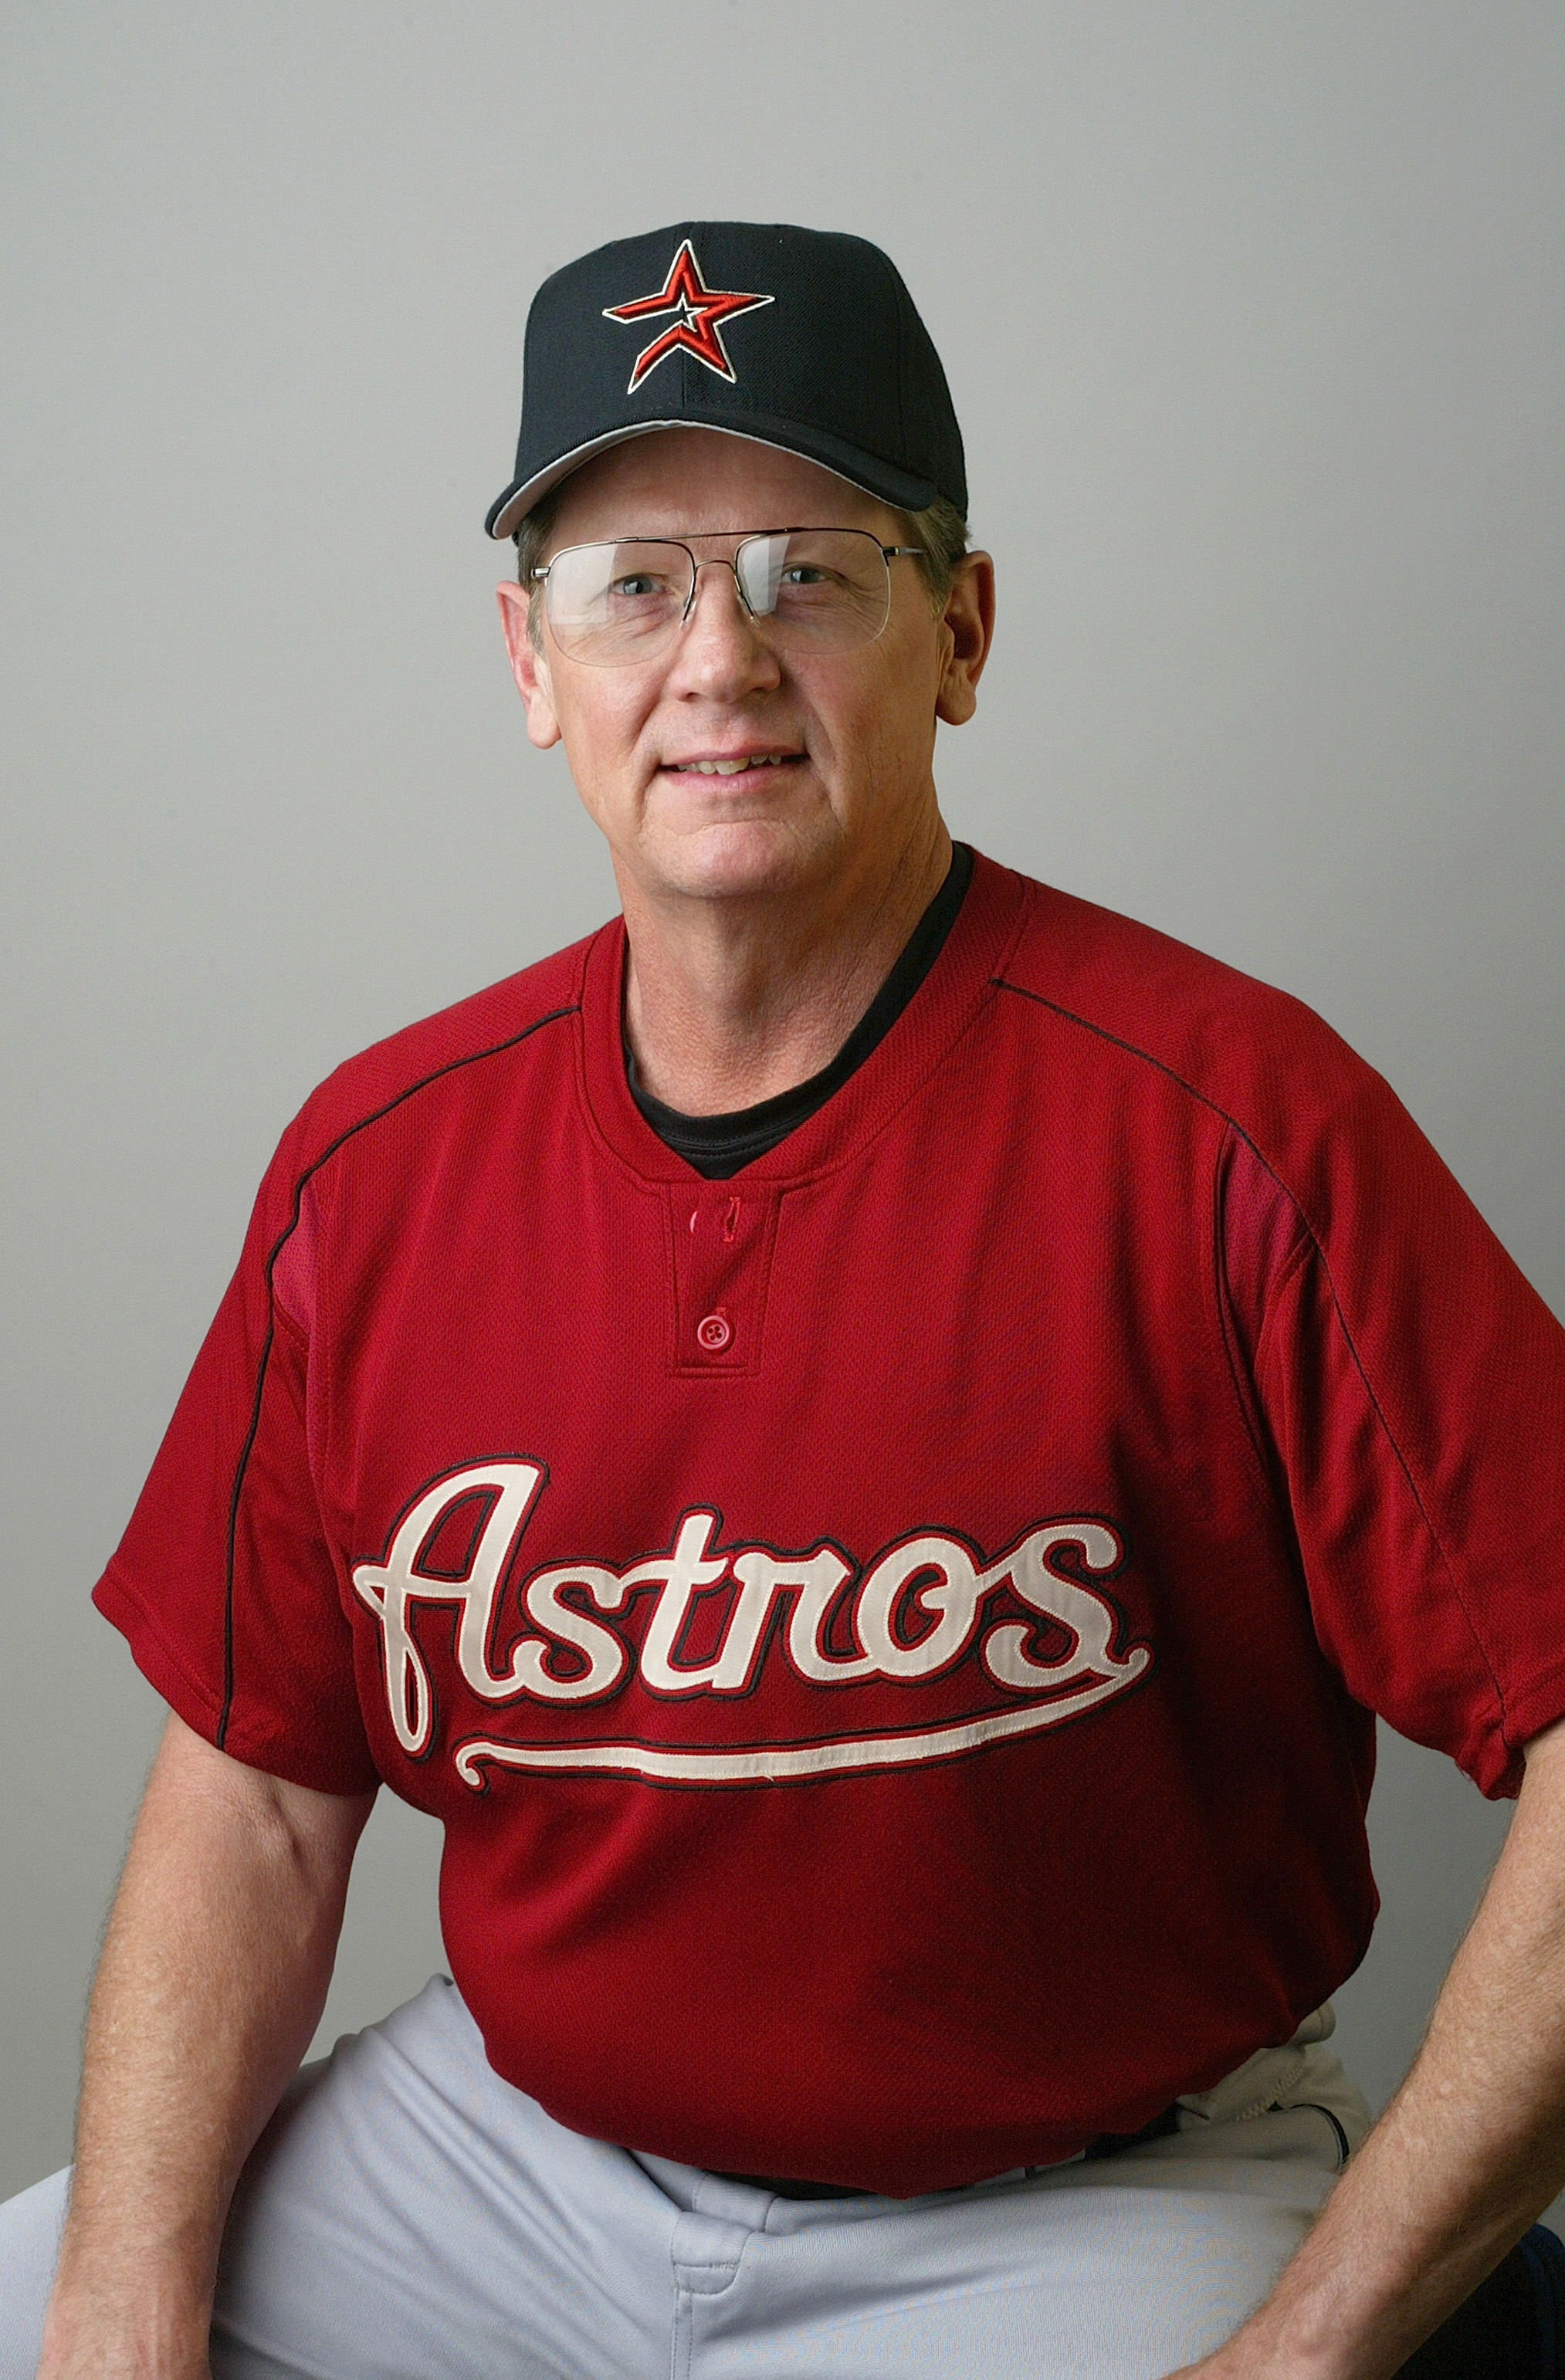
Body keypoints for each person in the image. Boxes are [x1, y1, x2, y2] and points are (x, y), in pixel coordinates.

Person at [3, 218, 1564, 2380]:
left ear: (962, 630)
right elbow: (260, 1790)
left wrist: (1309, 2349)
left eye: (808, 569)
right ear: (530, 662)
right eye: (631, 583)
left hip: (1084, 2201)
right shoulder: (379, 1165)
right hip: (513, 2164)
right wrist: (116, 2310)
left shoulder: (1230, 1123)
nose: (715, 659)